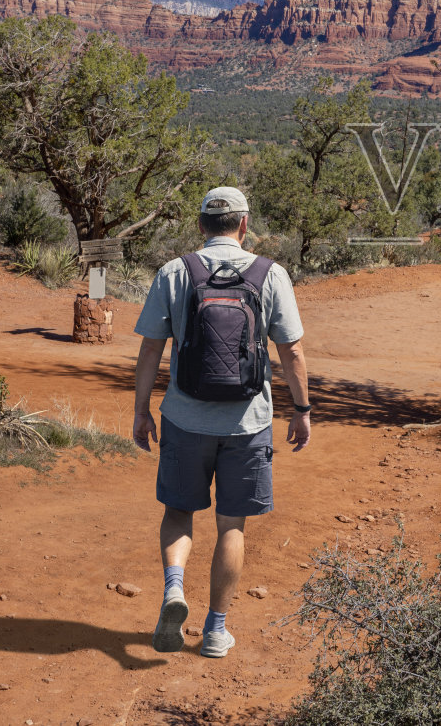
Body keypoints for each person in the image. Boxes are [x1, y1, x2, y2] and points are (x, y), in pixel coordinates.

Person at [132, 186, 313, 659]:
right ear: (244, 225)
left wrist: (140, 411)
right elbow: (291, 350)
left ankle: (174, 588)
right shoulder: (270, 274)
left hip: (184, 418)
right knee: (232, 525)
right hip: (248, 422)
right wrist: (301, 409)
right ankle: (215, 629)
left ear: (201, 226)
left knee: (178, 511)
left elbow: (151, 348)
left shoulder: (175, 272)